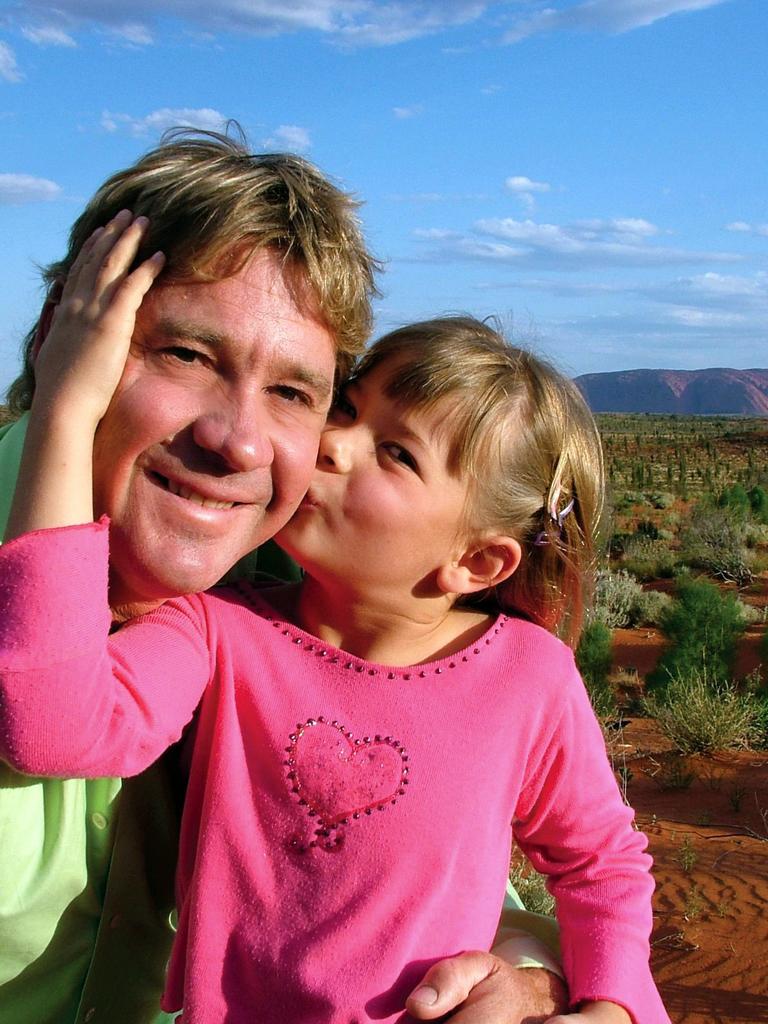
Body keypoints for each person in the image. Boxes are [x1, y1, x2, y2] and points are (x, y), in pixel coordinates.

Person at [0, 213, 668, 1022]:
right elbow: (48, 724)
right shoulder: (222, 628)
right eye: (345, 412)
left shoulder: (526, 679)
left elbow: (598, 865)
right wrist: (65, 407)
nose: (331, 445)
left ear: (478, 562)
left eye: (397, 452)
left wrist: (608, 1003)